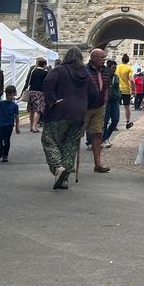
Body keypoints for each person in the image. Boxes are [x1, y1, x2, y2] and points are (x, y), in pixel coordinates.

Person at [41, 47, 98, 190]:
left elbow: (47, 84)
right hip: (78, 115)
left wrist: (51, 101)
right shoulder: (86, 74)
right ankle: (64, 179)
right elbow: (95, 93)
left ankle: (58, 168)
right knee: (70, 145)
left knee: (50, 140)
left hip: (58, 112)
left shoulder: (58, 71)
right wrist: (85, 105)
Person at [85, 48, 112, 173]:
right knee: (76, 135)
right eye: (102, 58)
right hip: (85, 107)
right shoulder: (85, 70)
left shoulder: (105, 71)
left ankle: (98, 164)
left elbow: (106, 86)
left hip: (99, 106)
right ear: (93, 58)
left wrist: (105, 98)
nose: (104, 60)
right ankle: (70, 162)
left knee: (98, 134)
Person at [19, 57, 49, 133]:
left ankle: (31, 125)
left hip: (31, 91)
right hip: (39, 92)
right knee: (38, 110)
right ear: (44, 65)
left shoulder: (33, 71)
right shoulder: (45, 73)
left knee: (31, 110)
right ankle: (34, 126)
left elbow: (28, 81)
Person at [0, 85, 21, 162]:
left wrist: (17, 127)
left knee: (7, 140)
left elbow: (16, 116)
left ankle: (5, 155)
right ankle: (1, 149)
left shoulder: (14, 106)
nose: (9, 97)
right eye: (7, 95)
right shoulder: (1, 103)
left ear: (14, 95)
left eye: (10, 95)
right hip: (0, 124)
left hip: (9, 125)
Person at [115, 54, 135, 128]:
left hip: (117, 89)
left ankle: (114, 123)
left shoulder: (117, 67)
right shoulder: (129, 68)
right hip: (126, 89)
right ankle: (128, 122)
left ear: (122, 60)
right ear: (128, 60)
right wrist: (134, 90)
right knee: (127, 107)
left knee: (116, 106)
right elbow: (131, 79)